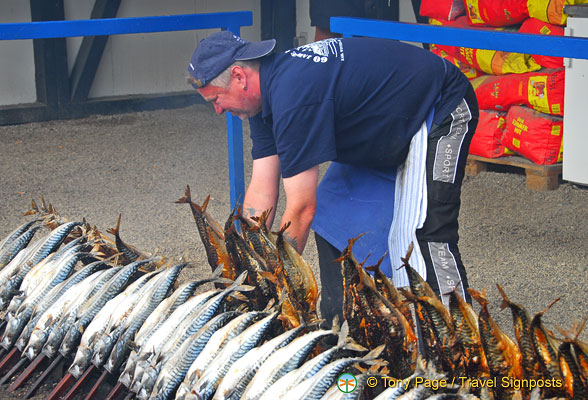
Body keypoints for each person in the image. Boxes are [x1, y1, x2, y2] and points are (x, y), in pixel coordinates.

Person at [187, 30, 478, 324]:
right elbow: (262, 192)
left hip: (439, 106)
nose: (217, 110)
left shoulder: (294, 96)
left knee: (423, 233)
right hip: (381, 131)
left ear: (239, 76)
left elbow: (301, 208)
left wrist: (275, 283)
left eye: (216, 98)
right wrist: (246, 265)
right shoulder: (263, 103)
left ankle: (458, 340)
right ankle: (345, 324)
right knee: (332, 219)